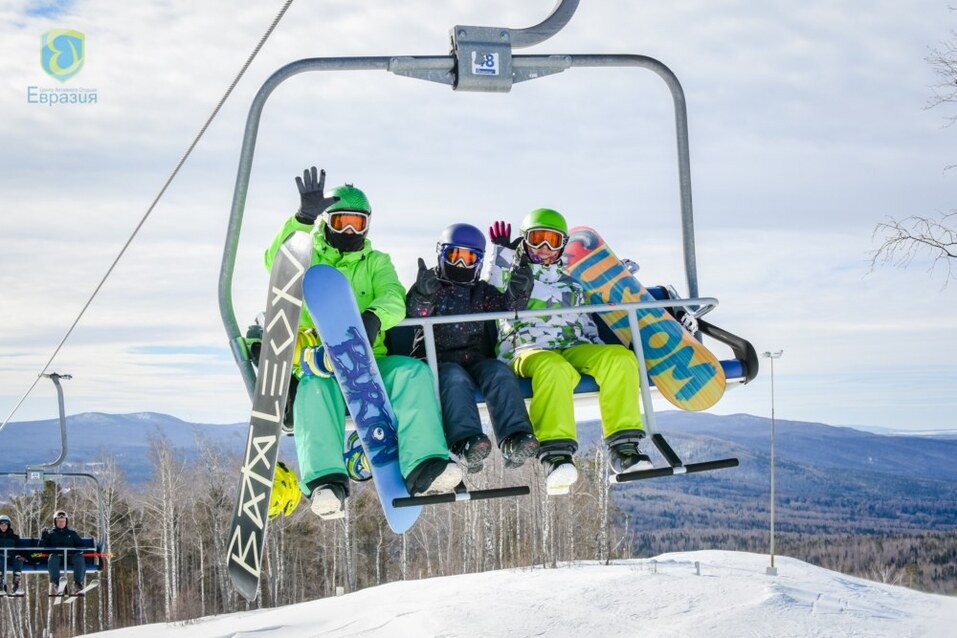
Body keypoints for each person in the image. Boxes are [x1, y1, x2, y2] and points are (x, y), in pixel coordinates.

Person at [265, 166, 461, 520]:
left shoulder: (376, 261)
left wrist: (373, 318)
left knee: (412, 373)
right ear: (328, 222)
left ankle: (425, 464)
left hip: (370, 362)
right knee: (313, 391)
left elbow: (394, 297)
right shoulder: (310, 255)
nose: (350, 230)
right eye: (342, 222)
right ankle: (326, 482)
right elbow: (276, 263)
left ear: (368, 225)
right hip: (319, 360)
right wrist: (301, 222)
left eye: (358, 223)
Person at [486, 209, 652, 495]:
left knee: (621, 359)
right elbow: (489, 293)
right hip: (527, 349)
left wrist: (599, 354)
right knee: (554, 368)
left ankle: (624, 449)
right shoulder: (510, 276)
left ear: (563, 245)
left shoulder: (572, 283)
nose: (544, 248)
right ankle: (556, 455)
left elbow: (585, 322)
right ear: (524, 242)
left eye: (552, 241)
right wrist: (500, 254)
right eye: (537, 240)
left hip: (574, 345)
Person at [406, 223, 540, 474]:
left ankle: (515, 436)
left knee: (498, 371)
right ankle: (465, 441)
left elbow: (506, 307)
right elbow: (416, 313)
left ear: (478, 261)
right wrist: (422, 295)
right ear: (441, 254)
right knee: (455, 378)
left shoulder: (480, 291)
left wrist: (519, 292)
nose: (461, 265)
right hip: (436, 360)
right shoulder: (431, 285)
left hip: (474, 358)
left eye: (469, 258)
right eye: (454, 256)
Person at [39, 510, 87, 594]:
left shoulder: (72, 533)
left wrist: (77, 551)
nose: (61, 523)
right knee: (52, 557)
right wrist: (43, 538)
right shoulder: (51, 533)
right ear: (55, 522)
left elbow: (80, 545)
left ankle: (78, 583)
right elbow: (40, 548)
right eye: (59, 521)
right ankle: (56, 583)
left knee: (79, 558)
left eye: (63, 521)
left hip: (70, 556)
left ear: (66, 522)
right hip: (57, 557)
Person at [0, 514, 24, 595]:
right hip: (1, 558)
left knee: (19, 558)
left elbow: (20, 549)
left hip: (11, 557)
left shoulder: (14, 537)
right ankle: (1, 584)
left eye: (5, 525)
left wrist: (22, 556)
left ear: (8, 525)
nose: (3, 527)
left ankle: (16, 584)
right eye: (1, 525)